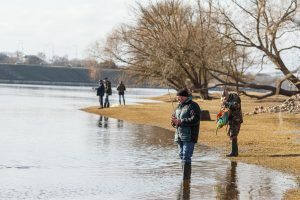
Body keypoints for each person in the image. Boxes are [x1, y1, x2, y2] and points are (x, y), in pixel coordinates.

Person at [171, 88, 201, 181]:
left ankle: (186, 179)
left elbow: (195, 119)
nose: (178, 99)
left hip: (190, 135)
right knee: (181, 155)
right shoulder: (179, 106)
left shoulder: (193, 105)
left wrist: (180, 121)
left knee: (186, 156)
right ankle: (185, 180)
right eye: (177, 98)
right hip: (179, 135)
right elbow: (175, 119)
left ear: (185, 97)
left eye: (180, 98)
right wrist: (173, 122)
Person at [221, 89, 243, 157]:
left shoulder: (234, 96)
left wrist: (226, 103)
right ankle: (235, 152)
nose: (224, 98)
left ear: (227, 94)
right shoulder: (225, 100)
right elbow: (224, 111)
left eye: (225, 97)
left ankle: (234, 153)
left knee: (233, 135)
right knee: (230, 134)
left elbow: (236, 105)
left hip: (236, 119)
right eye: (223, 98)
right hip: (230, 120)